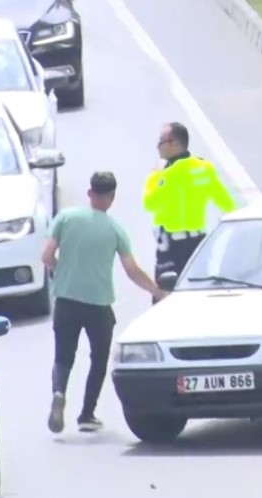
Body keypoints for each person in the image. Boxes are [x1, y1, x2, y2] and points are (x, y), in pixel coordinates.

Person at [42, 171, 168, 434]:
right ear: (111, 197)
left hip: (66, 299)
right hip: (98, 305)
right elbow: (131, 269)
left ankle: (58, 392)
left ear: (90, 193)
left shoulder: (65, 218)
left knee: (63, 355)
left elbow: (46, 255)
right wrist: (156, 291)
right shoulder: (115, 229)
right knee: (98, 358)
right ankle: (87, 414)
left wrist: (59, 270)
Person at [144, 121, 238, 302]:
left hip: (170, 248)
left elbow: (149, 203)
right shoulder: (203, 168)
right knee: (198, 296)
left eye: (161, 141)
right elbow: (227, 203)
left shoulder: (164, 174)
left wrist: (155, 174)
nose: (158, 146)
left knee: (164, 299)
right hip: (198, 246)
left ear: (174, 143)